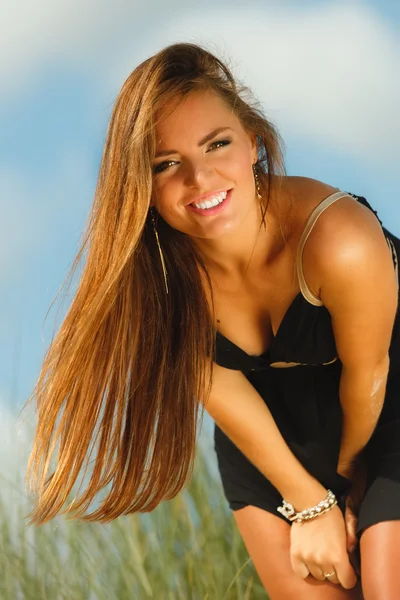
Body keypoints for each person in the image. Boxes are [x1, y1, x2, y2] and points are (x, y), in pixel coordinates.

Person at [21, 42, 400, 599]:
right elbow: (218, 386)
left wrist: (346, 487)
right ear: (141, 187)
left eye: (216, 144)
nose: (200, 178)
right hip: (267, 434)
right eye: (166, 164)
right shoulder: (163, 279)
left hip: (384, 402)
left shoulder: (338, 240)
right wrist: (308, 502)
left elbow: (370, 374)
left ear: (253, 142)